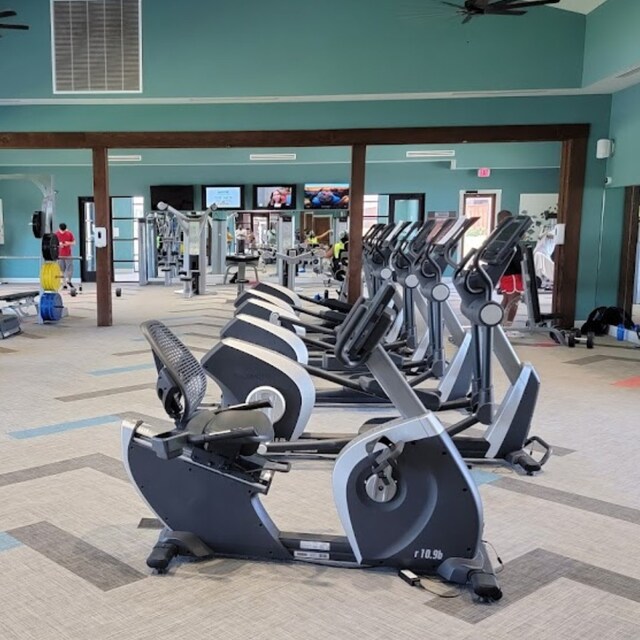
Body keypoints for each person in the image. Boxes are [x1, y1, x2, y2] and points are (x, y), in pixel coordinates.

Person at [496, 210, 524, 336]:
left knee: (506, 299)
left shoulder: (501, 235)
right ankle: (507, 327)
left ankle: (499, 324)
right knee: (514, 300)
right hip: (512, 274)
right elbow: (517, 257)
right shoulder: (509, 237)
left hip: (505, 273)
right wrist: (523, 271)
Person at [55, 222, 75, 289]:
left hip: (68, 254)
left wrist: (68, 243)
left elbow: (74, 242)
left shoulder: (69, 233)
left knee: (69, 268)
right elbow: (53, 244)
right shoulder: (56, 234)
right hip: (60, 255)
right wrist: (59, 244)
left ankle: (68, 281)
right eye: (61, 231)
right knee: (61, 269)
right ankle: (64, 284)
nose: (62, 232)